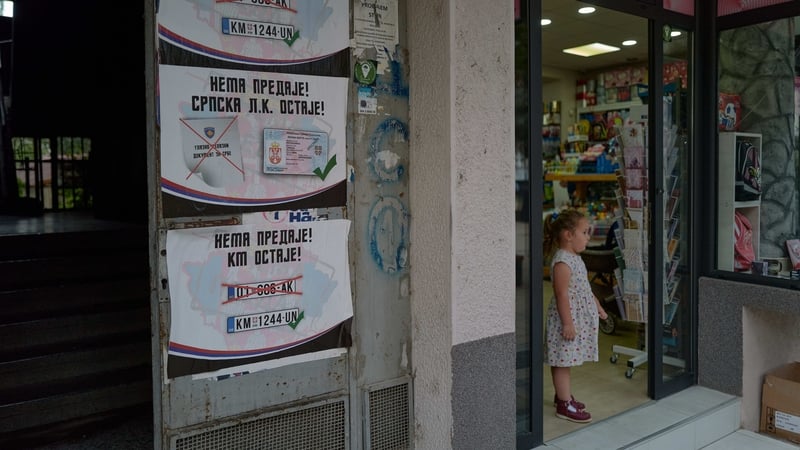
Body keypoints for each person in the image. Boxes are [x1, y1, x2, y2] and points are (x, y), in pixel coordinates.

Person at [543, 209, 608, 423]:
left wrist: (596, 303)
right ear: (568, 235)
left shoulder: (574, 258)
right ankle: (564, 404)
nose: (588, 237)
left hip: (573, 318)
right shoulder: (562, 262)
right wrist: (568, 323)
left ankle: (564, 395)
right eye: (584, 232)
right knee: (562, 361)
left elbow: (583, 288)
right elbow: (561, 294)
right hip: (565, 320)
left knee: (566, 359)